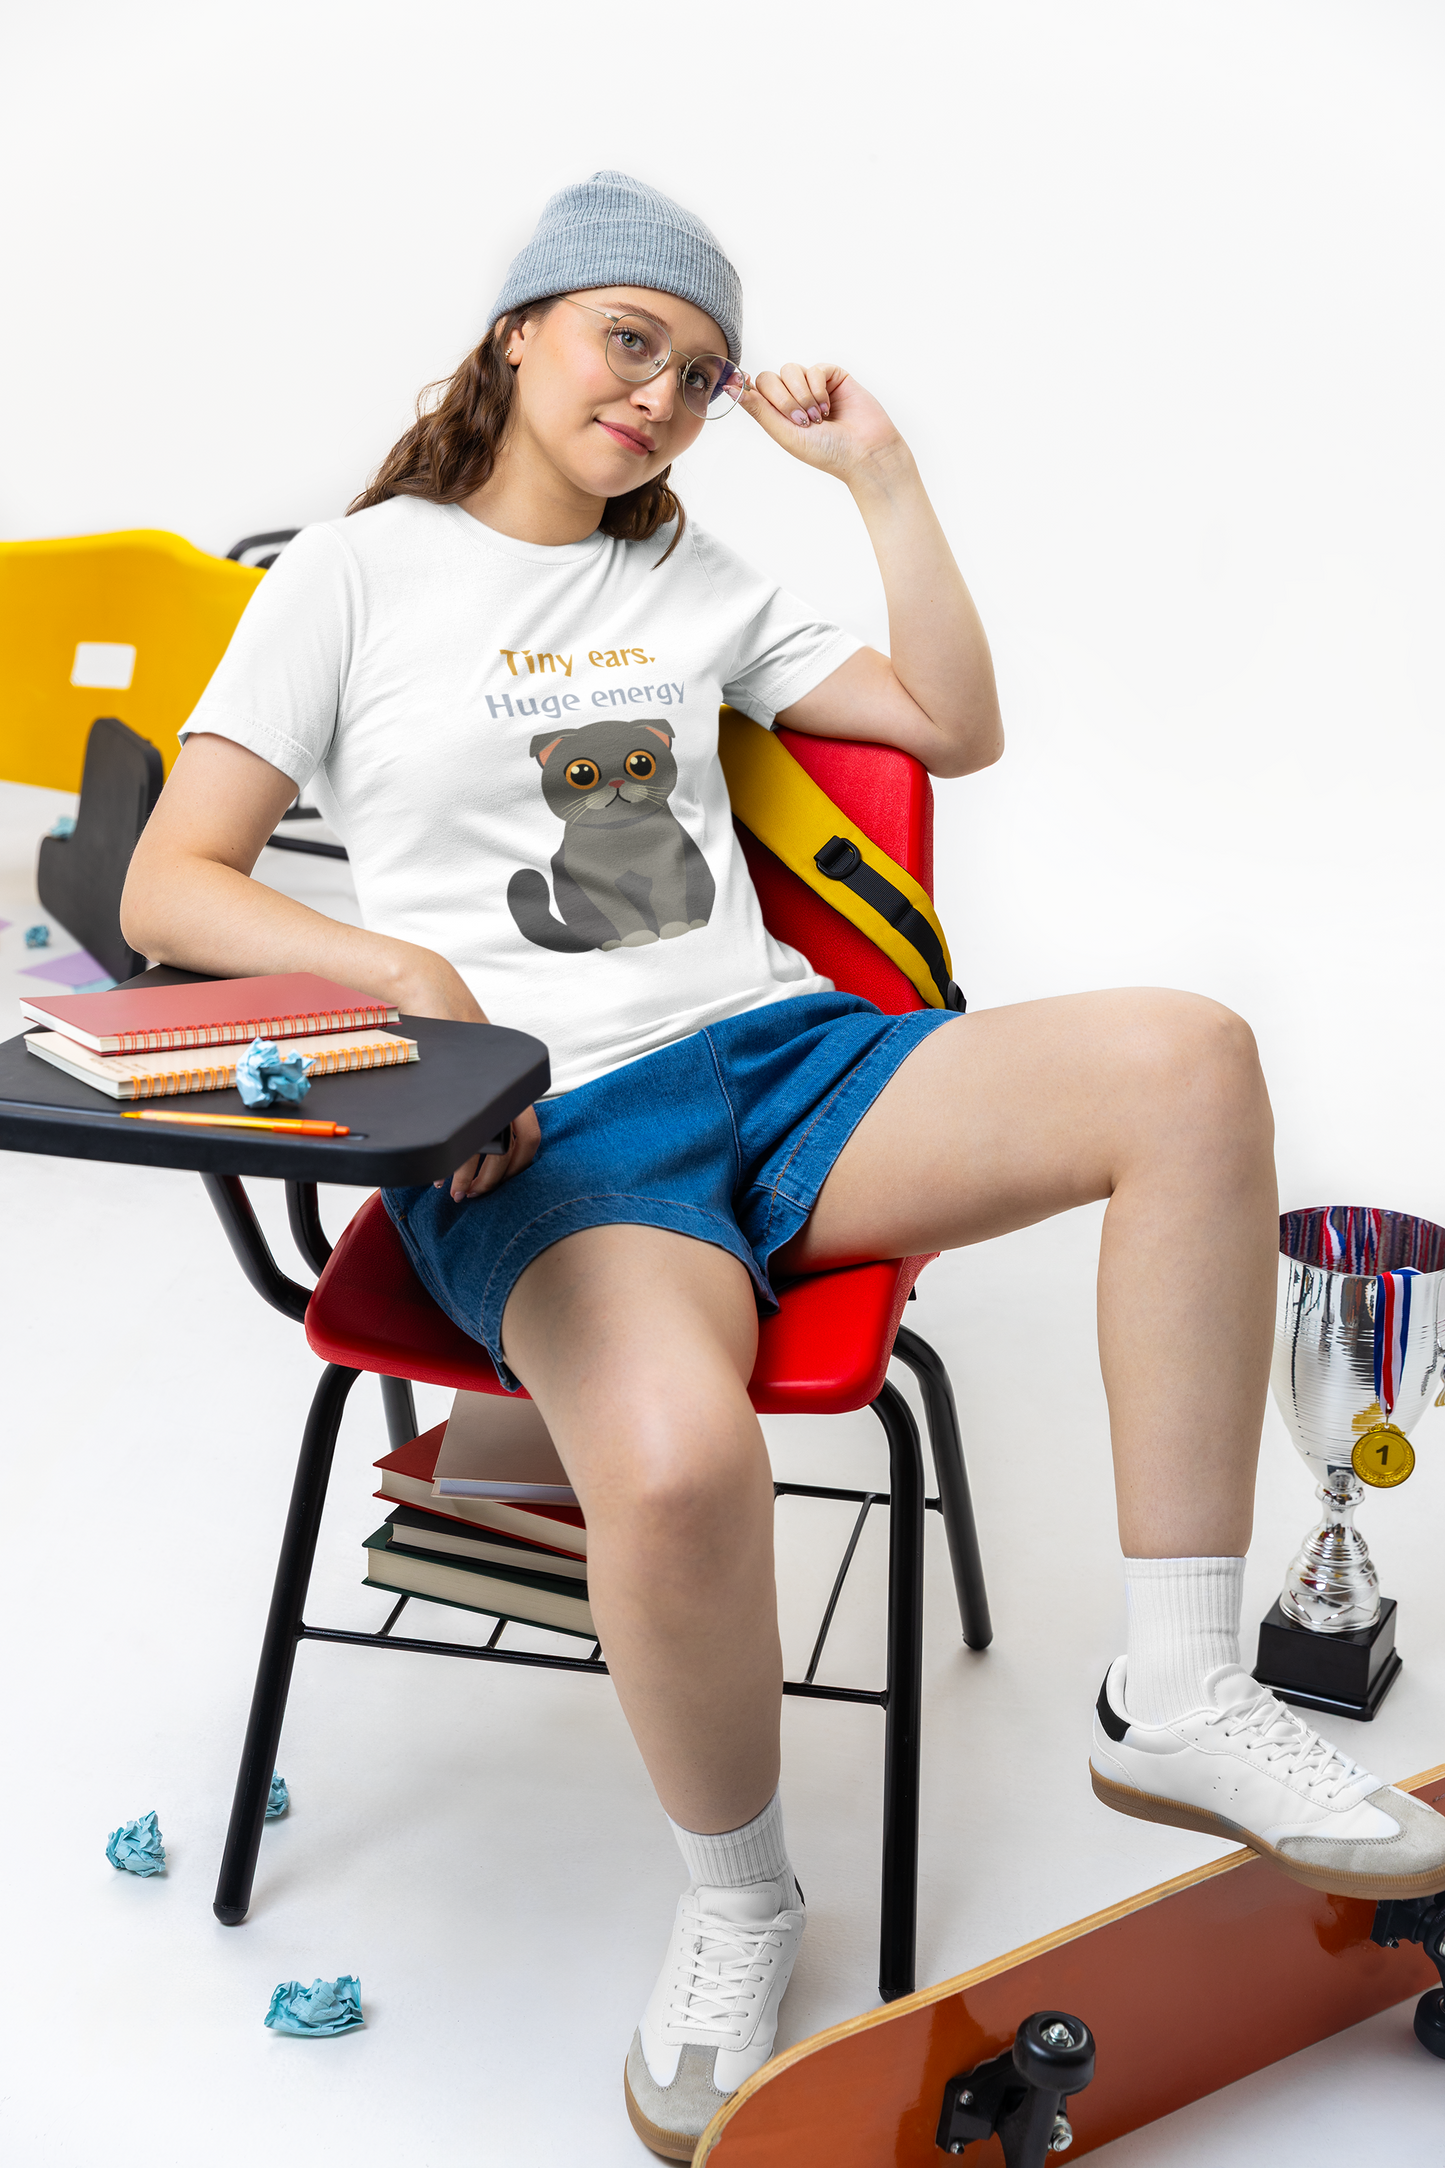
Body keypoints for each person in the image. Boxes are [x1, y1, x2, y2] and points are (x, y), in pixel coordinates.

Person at [121, 171, 1445, 2160]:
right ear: (517, 330)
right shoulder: (354, 574)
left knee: (1189, 1058)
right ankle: (740, 1899)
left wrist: (880, 475)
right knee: (671, 1463)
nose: (659, 395)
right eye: (627, 340)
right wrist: (404, 977)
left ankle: (1173, 1693)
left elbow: (951, 726)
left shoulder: (688, 572)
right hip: (546, 1127)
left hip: (786, 1062)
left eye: (698, 372)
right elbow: (170, 883)